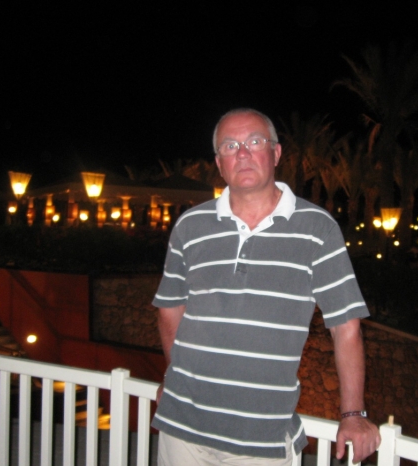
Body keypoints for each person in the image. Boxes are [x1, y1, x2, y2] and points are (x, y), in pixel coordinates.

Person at [152, 109, 381, 465]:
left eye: (255, 142)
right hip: (181, 429)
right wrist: (173, 375)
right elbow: (170, 309)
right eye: (230, 146)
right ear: (219, 163)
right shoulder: (189, 226)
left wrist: (353, 413)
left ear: (275, 153)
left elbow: (345, 326)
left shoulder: (317, 229)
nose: (243, 153)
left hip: (261, 439)